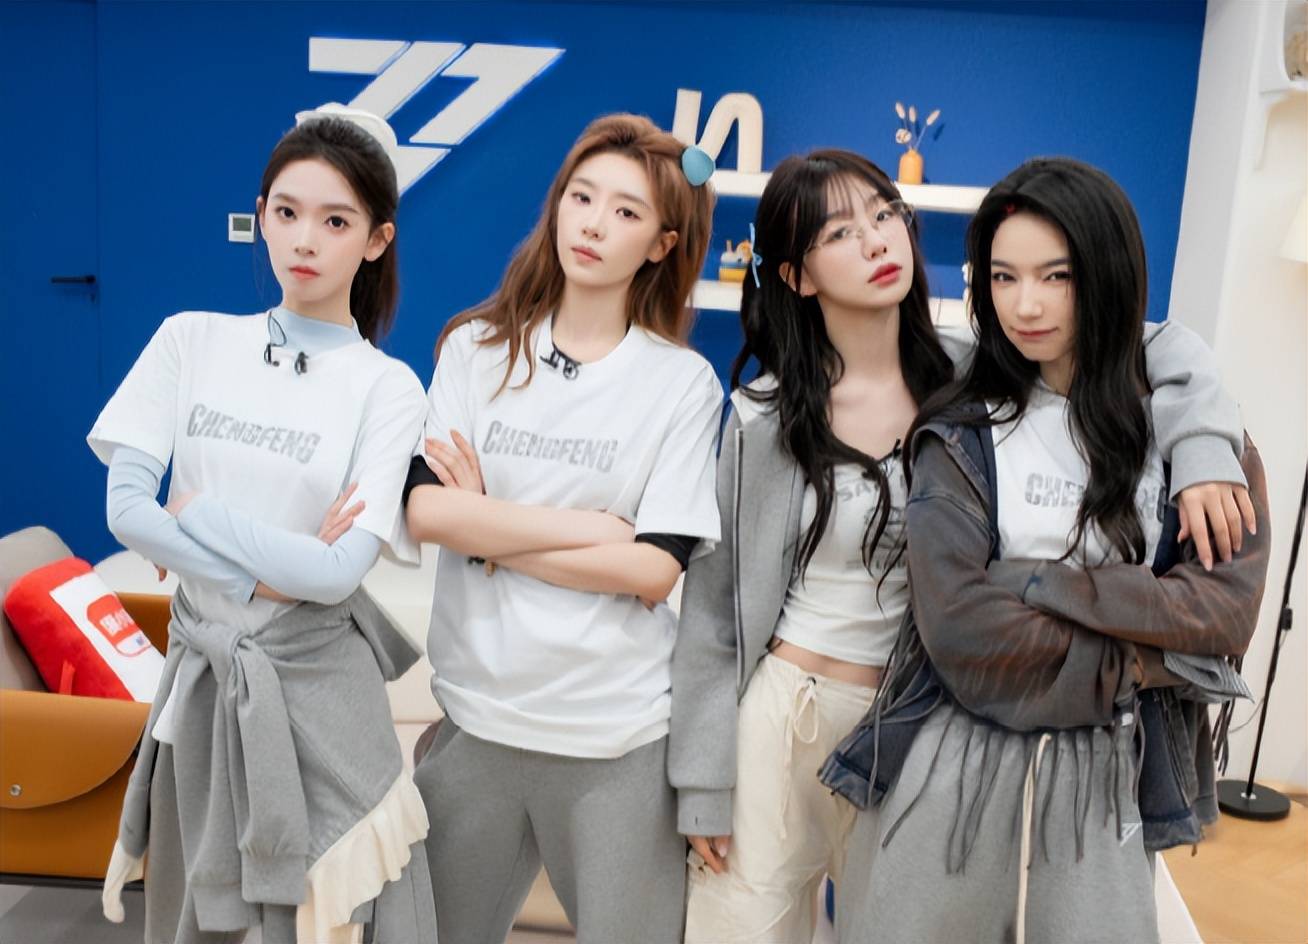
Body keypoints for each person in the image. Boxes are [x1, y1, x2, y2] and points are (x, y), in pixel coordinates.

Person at [668, 149, 1257, 943]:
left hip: (916, 722)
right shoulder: (764, 418)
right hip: (788, 713)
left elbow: (1157, 347)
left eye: (884, 214)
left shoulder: (974, 376)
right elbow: (713, 612)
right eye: (839, 231)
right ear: (796, 276)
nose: (876, 240)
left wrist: (1207, 448)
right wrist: (703, 781)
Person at [92, 105, 436, 944]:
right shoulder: (190, 340)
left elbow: (333, 575)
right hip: (208, 695)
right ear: (263, 216)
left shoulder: (388, 387)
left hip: (324, 697)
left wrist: (198, 516)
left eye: (336, 221)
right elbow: (126, 508)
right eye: (286, 212)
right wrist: (265, 573)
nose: (304, 240)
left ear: (377, 240)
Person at [404, 113, 721, 943]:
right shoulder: (475, 350)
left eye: (626, 211)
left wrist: (488, 535)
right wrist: (595, 531)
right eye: (582, 197)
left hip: (616, 739)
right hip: (476, 722)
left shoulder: (682, 384)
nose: (593, 223)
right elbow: (429, 511)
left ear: (661, 244)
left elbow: (654, 572)